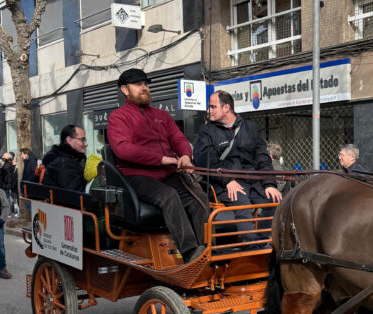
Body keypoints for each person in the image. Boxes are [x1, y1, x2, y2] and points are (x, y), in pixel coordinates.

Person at [107, 68, 208, 264]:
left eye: (145, 84)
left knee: (199, 197)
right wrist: (162, 159)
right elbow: (123, 150)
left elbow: (178, 138)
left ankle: (206, 249)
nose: (144, 88)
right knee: (169, 196)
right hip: (137, 176)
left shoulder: (162, 115)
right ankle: (190, 252)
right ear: (125, 90)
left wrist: (186, 156)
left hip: (168, 174)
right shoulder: (118, 117)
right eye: (138, 84)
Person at [193, 90, 281, 244]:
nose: (208, 111)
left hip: (252, 182)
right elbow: (205, 159)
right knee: (242, 202)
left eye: (212, 107)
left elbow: (262, 157)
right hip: (222, 183)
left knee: (275, 200)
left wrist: (269, 184)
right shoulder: (206, 131)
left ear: (226, 108)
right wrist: (228, 181)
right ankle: (251, 248)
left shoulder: (250, 127)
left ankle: (261, 240)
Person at [42, 125, 88, 192]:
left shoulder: (72, 159)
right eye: (82, 139)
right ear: (69, 140)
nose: (86, 144)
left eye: (85, 140)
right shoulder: (63, 163)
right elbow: (75, 194)